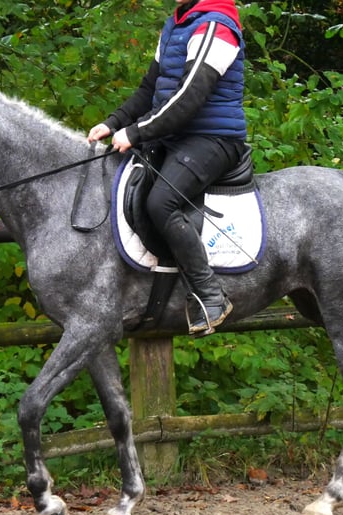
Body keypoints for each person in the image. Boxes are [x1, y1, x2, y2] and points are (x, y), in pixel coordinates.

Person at [88, 0, 247, 336]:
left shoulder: (216, 27)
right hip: (176, 135)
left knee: (162, 201)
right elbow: (150, 89)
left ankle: (210, 295)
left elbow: (189, 98)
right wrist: (113, 122)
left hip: (213, 139)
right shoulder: (176, 24)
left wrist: (135, 132)